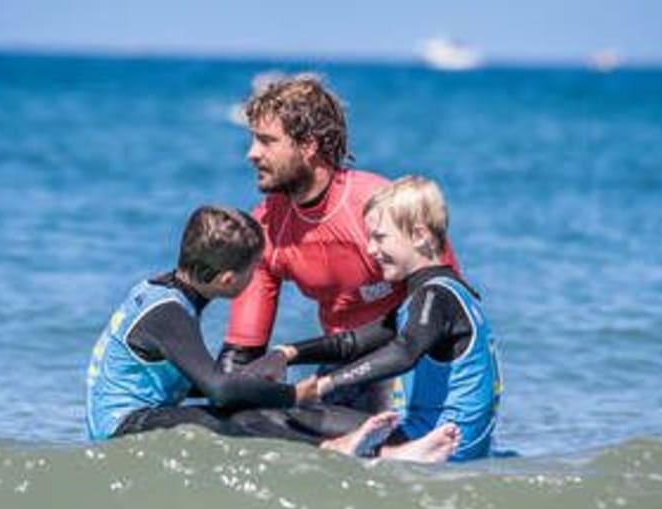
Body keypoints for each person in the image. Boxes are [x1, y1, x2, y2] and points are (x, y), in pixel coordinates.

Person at [84, 203, 462, 462]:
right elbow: (217, 388)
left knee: (249, 409)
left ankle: (372, 447)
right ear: (230, 280)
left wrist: (250, 380)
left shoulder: (170, 296)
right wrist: (294, 392)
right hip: (124, 426)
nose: (257, 277)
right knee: (220, 419)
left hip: (152, 411)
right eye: (254, 270)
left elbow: (198, 381)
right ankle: (339, 448)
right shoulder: (167, 313)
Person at [219, 74, 461, 413]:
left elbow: (449, 300)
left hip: (412, 363)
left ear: (308, 146)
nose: (251, 154)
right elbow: (242, 353)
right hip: (341, 367)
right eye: (253, 141)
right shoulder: (265, 229)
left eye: (266, 141)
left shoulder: (379, 209)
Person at [280, 177, 502, 462]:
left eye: (380, 237)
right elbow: (353, 341)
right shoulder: (448, 293)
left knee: (283, 421)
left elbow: (404, 352)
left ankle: (391, 452)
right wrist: (287, 354)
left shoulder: (435, 296)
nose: (371, 250)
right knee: (312, 417)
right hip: (467, 444)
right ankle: (385, 449)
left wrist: (325, 384)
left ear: (419, 236)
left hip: (440, 442)